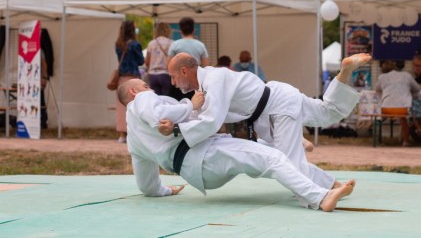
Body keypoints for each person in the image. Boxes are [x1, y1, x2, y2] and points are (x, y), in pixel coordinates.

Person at [117, 79, 355, 212]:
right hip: (204, 154)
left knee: (270, 156)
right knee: (272, 159)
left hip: (197, 171)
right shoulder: (143, 100)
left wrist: (165, 190)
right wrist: (190, 104)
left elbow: (146, 184)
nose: (150, 88)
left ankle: (326, 182)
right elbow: (156, 114)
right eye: (145, 86)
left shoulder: (134, 140)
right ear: (134, 91)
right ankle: (321, 197)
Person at [163, 52, 372, 190]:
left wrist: (177, 129)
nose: (172, 83)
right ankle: (333, 185)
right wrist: (182, 116)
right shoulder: (205, 85)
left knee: (288, 163)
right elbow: (202, 116)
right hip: (276, 99)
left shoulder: (213, 79)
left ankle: (322, 196)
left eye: (173, 77)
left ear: (184, 71)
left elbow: (210, 122)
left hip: (276, 107)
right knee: (328, 112)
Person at [375, 60, 420, 147]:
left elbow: (377, 90)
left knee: (383, 117)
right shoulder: (407, 75)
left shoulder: (382, 77)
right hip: (404, 109)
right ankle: (406, 141)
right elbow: (417, 90)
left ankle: (378, 138)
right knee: (404, 117)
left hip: (386, 109)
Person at [114, 20, 144, 143]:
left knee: (121, 106)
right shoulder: (135, 45)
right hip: (133, 79)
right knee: (135, 106)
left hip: (121, 78)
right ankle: (135, 133)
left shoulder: (118, 44)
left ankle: (122, 135)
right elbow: (141, 61)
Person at [167, 17, 209, 101]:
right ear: (193, 30)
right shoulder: (200, 45)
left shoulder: (175, 45)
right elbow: (206, 65)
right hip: (195, 82)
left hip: (178, 83)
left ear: (180, 30)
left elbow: (169, 65)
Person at [144, 22, 173, 95]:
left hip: (153, 75)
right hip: (165, 74)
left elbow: (147, 62)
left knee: (155, 99)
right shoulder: (171, 43)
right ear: (168, 30)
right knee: (166, 99)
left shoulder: (151, 43)